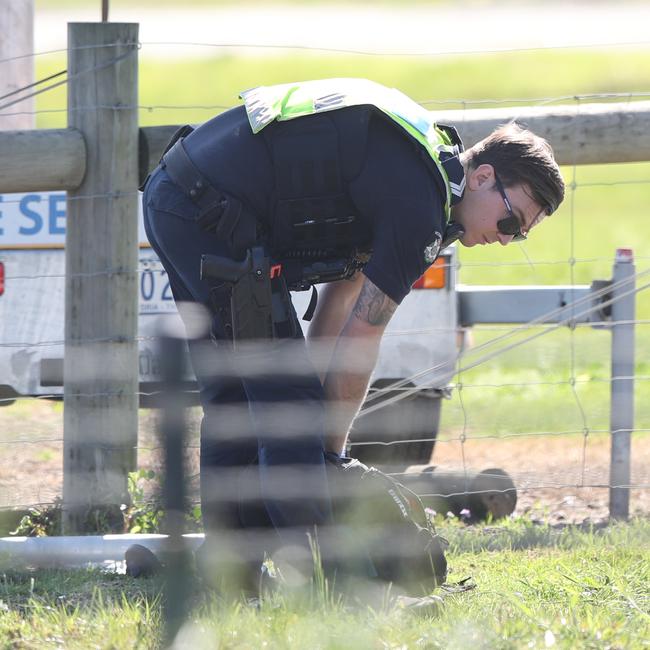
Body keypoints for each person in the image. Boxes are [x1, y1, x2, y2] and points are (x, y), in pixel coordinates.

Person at [140, 78, 565, 594]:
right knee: (286, 405)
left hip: (176, 193)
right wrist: (328, 457)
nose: (506, 238)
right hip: (211, 213)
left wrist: (320, 443)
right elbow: (363, 334)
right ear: (482, 177)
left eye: (519, 234)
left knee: (238, 395)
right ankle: (326, 583)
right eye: (511, 220)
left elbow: (343, 301)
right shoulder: (421, 208)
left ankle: (230, 575)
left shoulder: (421, 163)